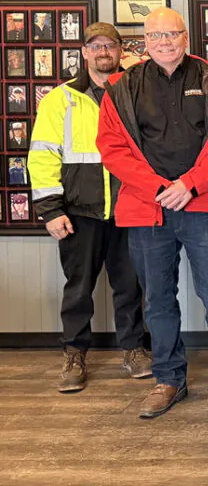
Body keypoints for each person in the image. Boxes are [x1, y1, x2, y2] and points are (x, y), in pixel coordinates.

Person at [96, 7, 208, 419]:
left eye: (171, 34)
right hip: (147, 209)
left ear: (186, 37)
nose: (164, 42)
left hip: (202, 203)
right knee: (159, 301)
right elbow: (112, 148)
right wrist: (158, 188)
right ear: (143, 43)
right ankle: (168, 379)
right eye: (155, 36)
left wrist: (191, 184)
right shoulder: (122, 86)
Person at [28, 22, 150, 393]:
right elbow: (42, 156)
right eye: (95, 46)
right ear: (84, 52)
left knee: (129, 286)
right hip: (79, 211)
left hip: (128, 207)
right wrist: (50, 209)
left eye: (109, 46)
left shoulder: (134, 92)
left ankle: (133, 350)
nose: (103, 52)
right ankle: (74, 354)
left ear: (119, 51)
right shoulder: (60, 99)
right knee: (78, 289)